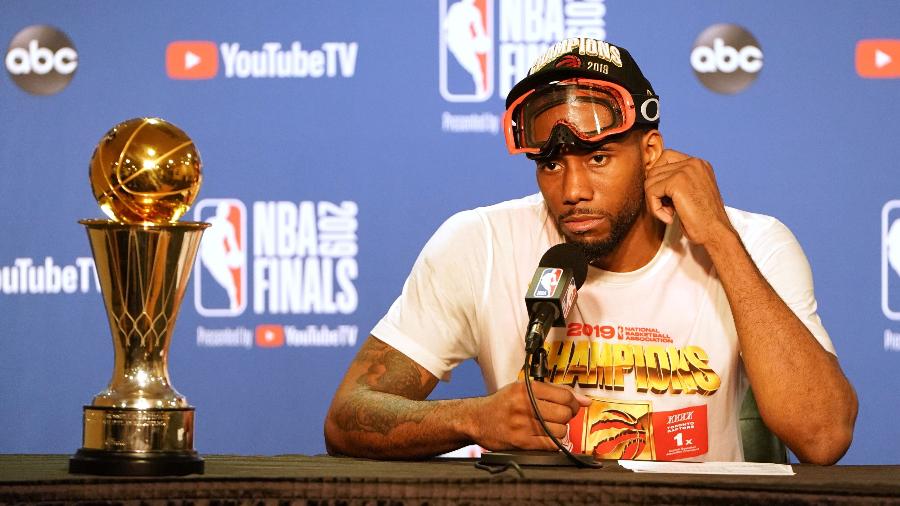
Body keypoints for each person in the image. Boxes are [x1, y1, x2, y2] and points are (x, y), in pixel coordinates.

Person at [324, 37, 857, 464]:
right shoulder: (479, 243)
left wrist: (718, 238)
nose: (572, 189)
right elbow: (347, 415)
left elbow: (823, 435)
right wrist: (475, 420)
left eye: (599, 158)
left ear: (651, 153)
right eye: (552, 164)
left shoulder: (753, 243)